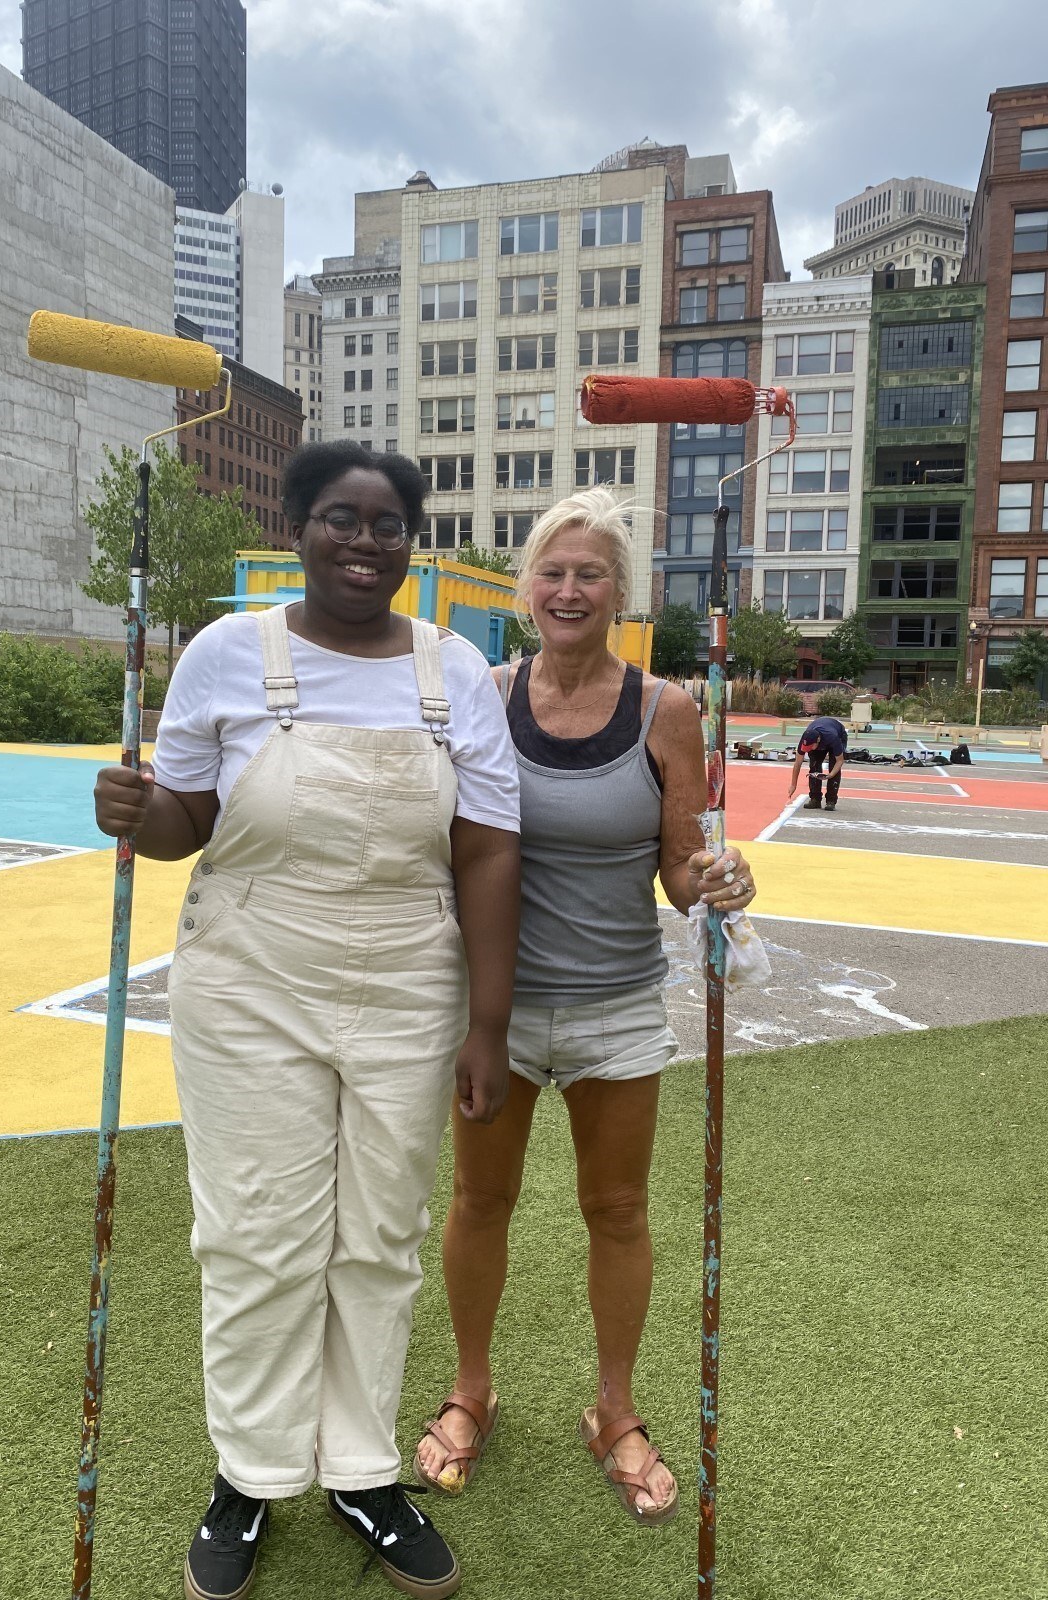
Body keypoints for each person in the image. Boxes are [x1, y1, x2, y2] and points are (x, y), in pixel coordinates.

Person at [93, 440, 521, 1600]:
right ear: (298, 526)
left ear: (411, 543)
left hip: (409, 978)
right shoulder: (229, 653)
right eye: (341, 517)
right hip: (250, 975)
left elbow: (485, 847)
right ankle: (251, 1471)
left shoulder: (456, 672)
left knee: (380, 1232)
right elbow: (184, 819)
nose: (365, 541)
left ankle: (363, 1469)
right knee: (258, 1231)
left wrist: (489, 1022)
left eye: (389, 525)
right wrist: (135, 807)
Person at [413, 488, 757, 1526]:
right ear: (526, 589)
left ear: (620, 593)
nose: (570, 589)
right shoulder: (483, 691)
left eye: (592, 573)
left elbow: (678, 868)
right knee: (482, 1203)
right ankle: (472, 1389)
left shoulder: (669, 710)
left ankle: (613, 1409)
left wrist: (721, 877)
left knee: (616, 1210)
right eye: (554, 572)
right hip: (497, 1011)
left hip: (616, 1004)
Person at [787, 715, 848, 810]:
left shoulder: (832, 737)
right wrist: (793, 785)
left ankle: (831, 801)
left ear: (818, 740)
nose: (808, 749)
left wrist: (830, 775)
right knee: (814, 766)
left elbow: (840, 761)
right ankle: (815, 799)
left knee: (833, 765)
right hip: (820, 737)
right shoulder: (806, 738)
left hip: (838, 734)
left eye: (810, 747)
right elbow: (798, 763)